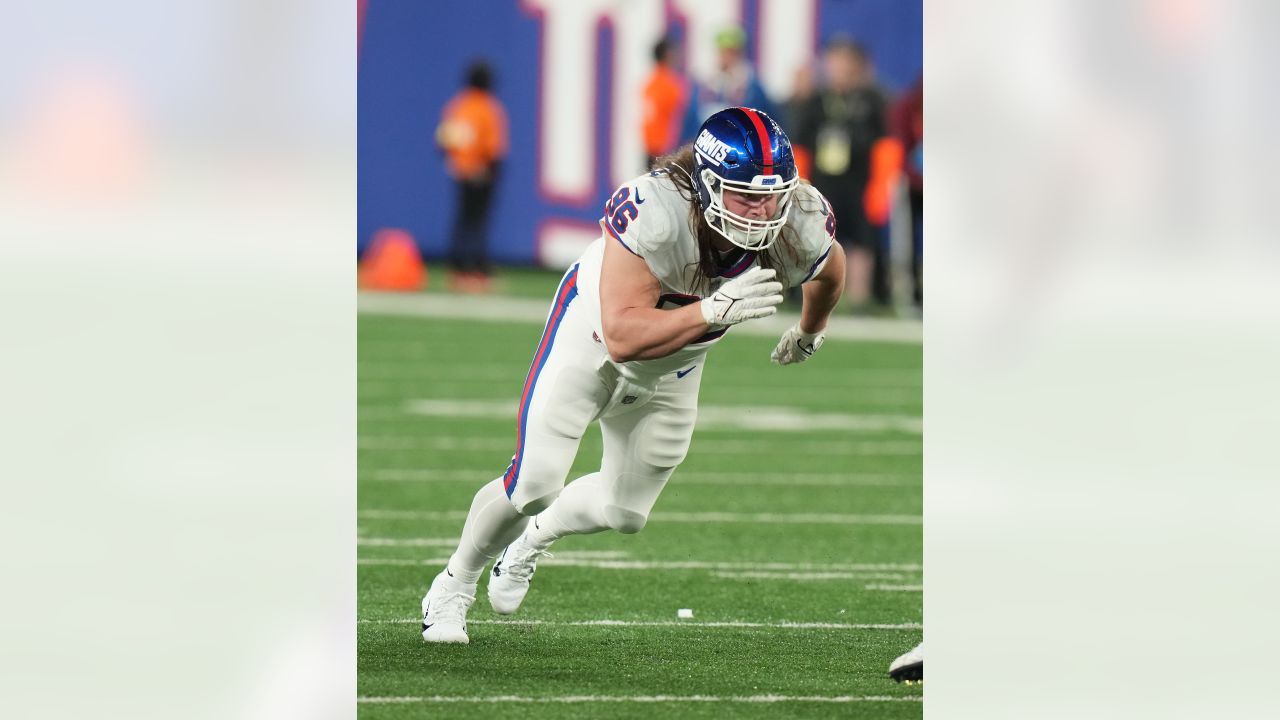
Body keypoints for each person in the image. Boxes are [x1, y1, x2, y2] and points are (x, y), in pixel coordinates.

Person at [421, 107, 845, 644]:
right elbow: (622, 333)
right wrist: (712, 311)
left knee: (624, 514)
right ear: (708, 185)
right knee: (534, 483)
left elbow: (831, 269)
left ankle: (530, 542)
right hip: (593, 341)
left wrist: (810, 329)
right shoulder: (657, 210)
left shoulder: (799, 219)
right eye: (745, 195)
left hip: (676, 366)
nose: (762, 212)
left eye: (772, 195)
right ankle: (453, 584)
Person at [791, 37, 891, 310]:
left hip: (859, 182)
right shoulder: (816, 101)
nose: (841, 68)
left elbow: (885, 145)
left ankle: (859, 300)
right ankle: (813, 299)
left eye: (847, 62)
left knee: (862, 241)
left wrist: (880, 187)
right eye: (836, 61)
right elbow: (800, 146)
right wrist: (799, 185)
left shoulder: (871, 100)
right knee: (816, 239)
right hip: (822, 183)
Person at [435, 60, 509, 293]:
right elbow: (494, 148)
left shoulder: (458, 106)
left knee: (462, 221)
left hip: (461, 173)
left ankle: (456, 269)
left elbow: (444, 141)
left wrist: (457, 162)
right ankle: (477, 271)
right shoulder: (488, 108)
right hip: (482, 174)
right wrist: (491, 171)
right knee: (478, 223)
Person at [679, 25, 778, 144]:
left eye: (731, 52)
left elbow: (767, 121)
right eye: (723, 52)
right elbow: (689, 120)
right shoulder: (703, 84)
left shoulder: (752, 87)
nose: (726, 57)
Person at [642, 36, 688, 169]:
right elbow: (681, 119)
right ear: (668, 55)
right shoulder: (672, 85)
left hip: (651, 147)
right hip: (667, 150)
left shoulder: (650, 83)